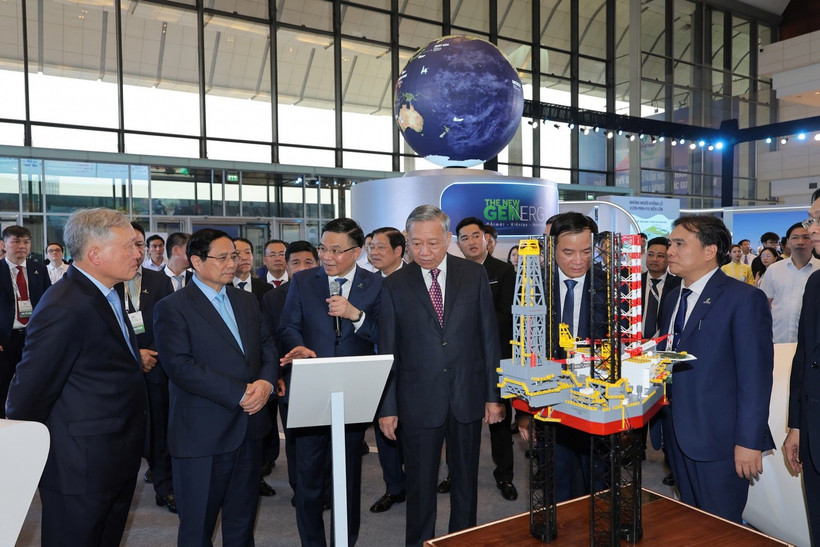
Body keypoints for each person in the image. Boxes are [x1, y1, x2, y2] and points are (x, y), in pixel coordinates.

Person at [6, 208, 145, 546]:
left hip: (114, 456)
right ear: (95, 254)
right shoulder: (64, 306)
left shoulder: (107, 292)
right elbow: (27, 395)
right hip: (80, 467)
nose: (138, 254)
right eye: (129, 246)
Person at [378, 205, 504, 546]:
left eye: (432, 243)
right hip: (417, 399)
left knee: (465, 482)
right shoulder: (394, 285)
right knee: (420, 485)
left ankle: (462, 540)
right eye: (416, 243)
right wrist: (387, 407)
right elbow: (388, 350)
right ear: (406, 241)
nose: (424, 252)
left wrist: (493, 395)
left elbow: (489, 338)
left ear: (448, 239)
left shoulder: (473, 275)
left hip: (466, 394)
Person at [154, 228, 278, 546]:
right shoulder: (173, 307)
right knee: (198, 528)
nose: (231, 264)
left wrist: (265, 383)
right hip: (202, 435)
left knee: (241, 525)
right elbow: (180, 366)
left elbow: (267, 347)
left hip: (249, 430)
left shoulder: (246, 300)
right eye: (222, 257)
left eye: (233, 256)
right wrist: (240, 393)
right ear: (196, 261)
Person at [657, 215, 774, 523]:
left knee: (721, 527)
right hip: (676, 434)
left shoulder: (744, 299)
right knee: (692, 521)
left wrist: (748, 442)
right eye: (670, 243)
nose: (670, 251)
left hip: (720, 441)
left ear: (709, 251)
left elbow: (755, 379)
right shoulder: (673, 298)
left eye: (679, 244)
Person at [278, 217, 382, 546]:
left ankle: (344, 541)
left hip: (352, 393)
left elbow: (385, 335)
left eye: (336, 250)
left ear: (357, 251)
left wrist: (356, 316)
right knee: (308, 479)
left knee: (347, 478)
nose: (326, 256)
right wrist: (298, 346)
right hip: (311, 388)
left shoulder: (376, 284)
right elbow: (287, 325)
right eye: (323, 248)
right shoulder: (303, 281)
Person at [454, 216, 517, 501]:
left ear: (486, 239)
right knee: (458, 420)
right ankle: (454, 473)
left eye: (475, 236)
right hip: (462, 359)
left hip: (496, 357)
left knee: (499, 420)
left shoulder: (503, 271)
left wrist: (472, 329)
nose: (471, 242)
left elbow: (506, 314)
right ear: (458, 244)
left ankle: (504, 475)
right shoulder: (454, 272)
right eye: (464, 238)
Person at [260, 241, 319, 505]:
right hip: (290, 377)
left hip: (324, 373)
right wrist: (277, 374)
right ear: (287, 266)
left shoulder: (329, 291)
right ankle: (301, 490)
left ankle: (325, 488)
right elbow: (269, 340)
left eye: (308, 262)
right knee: (296, 438)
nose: (302, 268)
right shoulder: (273, 298)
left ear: (317, 263)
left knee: (325, 438)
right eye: (296, 263)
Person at [124, 222, 177, 512]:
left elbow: (167, 323)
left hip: (155, 366)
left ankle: (164, 487)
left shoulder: (159, 281)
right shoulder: (109, 280)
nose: (137, 250)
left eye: (140, 244)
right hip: (121, 368)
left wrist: (149, 354)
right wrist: (135, 354)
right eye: (130, 244)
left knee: (159, 429)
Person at [785, 190, 820, 541]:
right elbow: (804, 357)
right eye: (812, 219)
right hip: (813, 432)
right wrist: (796, 426)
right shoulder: (815, 282)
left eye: (819, 220)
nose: (811, 229)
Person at [366, 227, 408, 513]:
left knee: (416, 432)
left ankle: (418, 483)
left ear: (398, 251)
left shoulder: (416, 279)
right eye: (371, 247)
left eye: (380, 247)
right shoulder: (367, 284)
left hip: (413, 370)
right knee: (385, 431)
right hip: (378, 368)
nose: (374, 252)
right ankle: (394, 488)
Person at [0, 225, 51, 419]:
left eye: (26, 242)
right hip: (5, 338)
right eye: (16, 241)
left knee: (33, 381)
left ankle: (30, 420)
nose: (22, 246)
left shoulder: (39, 269)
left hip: (33, 336)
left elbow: (49, 302)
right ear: (4, 245)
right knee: (4, 382)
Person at [760, 223, 818, 343]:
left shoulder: (818, 269)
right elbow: (765, 304)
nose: (800, 242)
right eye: (795, 237)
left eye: (806, 237)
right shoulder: (774, 269)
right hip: (778, 339)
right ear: (788, 242)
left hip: (813, 342)